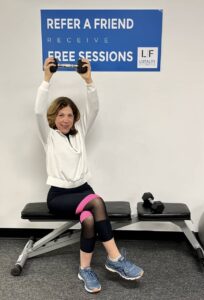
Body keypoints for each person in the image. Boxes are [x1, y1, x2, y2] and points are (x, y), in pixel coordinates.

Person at [35, 57, 144, 293]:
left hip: (83, 190)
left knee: (89, 219)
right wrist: (46, 80)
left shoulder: (79, 133)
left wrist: (88, 81)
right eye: (61, 115)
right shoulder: (49, 136)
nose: (65, 119)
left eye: (69, 115)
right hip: (59, 196)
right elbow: (37, 111)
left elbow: (93, 107)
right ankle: (114, 258)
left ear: (75, 118)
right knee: (96, 201)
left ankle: (84, 269)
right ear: (54, 117)